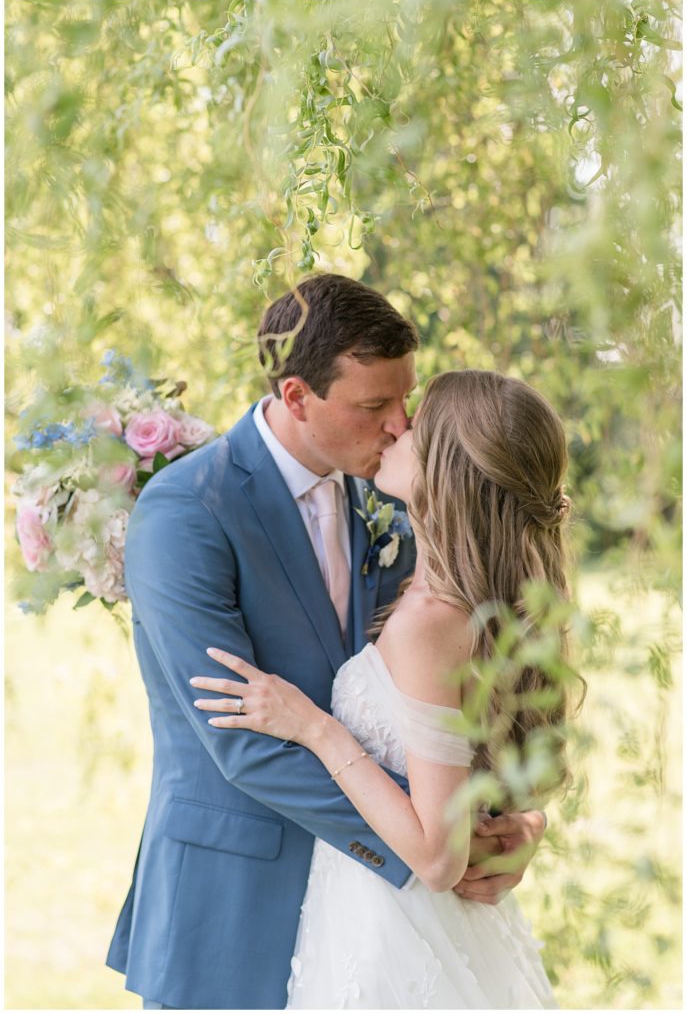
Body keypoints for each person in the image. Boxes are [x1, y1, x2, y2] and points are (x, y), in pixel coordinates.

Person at [106, 276, 545, 1010]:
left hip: (376, 924)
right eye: (374, 406)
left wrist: (514, 820)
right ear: (298, 395)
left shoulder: (398, 497)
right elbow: (240, 740)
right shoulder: (188, 512)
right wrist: (433, 846)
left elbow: (455, 693)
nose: (400, 426)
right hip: (237, 904)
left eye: (404, 400)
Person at [191, 369, 575, 1008]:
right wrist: (521, 822)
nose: (397, 426)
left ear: (447, 468)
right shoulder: (470, 596)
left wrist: (315, 727)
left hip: (398, 928)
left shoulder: (430, 622)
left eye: (417, 422)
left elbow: (436, 856)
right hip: (399, 914)